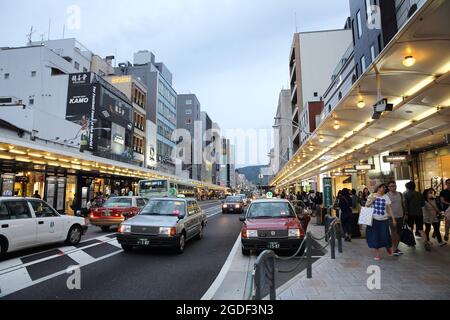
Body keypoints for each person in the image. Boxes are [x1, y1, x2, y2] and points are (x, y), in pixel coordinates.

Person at [365, 184, 397, 261]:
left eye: (385, 187)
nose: (384, 188)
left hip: (384, 219)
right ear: (378, 188)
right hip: (374, 220)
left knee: (385, 235)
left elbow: (389, 209)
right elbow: (366, 206)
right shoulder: (372, 195)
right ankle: (377, 254)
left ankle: (388, 247)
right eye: (383, 187)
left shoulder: (386, 196)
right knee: (375, 237)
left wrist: (393, 219)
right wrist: (372, 201)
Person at [404, 181, 428, 249]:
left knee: (410, 228)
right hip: (419, 213)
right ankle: (426, 242)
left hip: (410, 214)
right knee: (420, 229)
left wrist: (406, 214)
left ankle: (412, 243)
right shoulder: (419, 194)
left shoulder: (405, 194)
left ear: (407, 187)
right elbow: (423, 204)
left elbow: (405, 206)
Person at [387, 181, 406, 256]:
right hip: (391, 217)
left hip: (400, 216)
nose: (393, 187)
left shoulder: (400, 194)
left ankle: (395, 247)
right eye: (391, 186)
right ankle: (394, 248)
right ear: (388, 187)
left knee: (398, 232)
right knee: (394, 232)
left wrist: (406, 214)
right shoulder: (387, 195)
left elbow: (403, 204)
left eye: (394, 186)